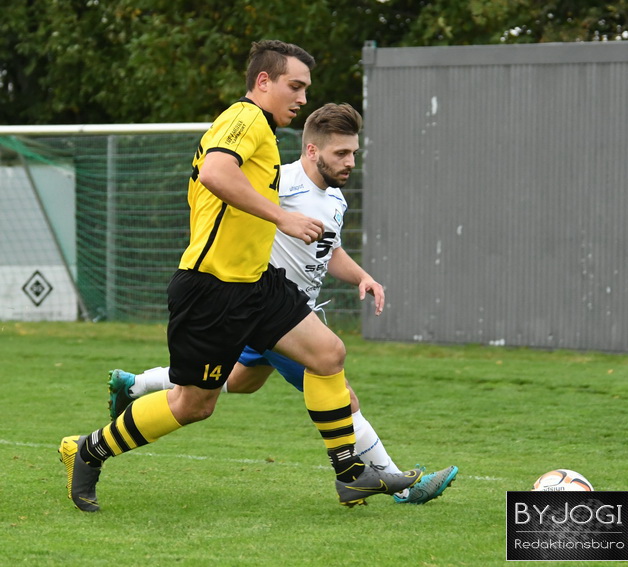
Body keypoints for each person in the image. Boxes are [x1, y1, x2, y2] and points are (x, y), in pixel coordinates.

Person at [59, 40, 424, 513]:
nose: (302, 98)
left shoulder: (264, 133)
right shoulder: (245, 117)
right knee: (194, 404)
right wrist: (283, 217)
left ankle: (352, 476)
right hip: (212, 287)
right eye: (295, 86)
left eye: (306, 89)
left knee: (328, 353)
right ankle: (88, 451)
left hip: (257, 283)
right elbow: (215, 172)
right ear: (263, 81)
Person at [107, 103, 458, 505]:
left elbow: (330, 250)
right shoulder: (282, 183)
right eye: (342, 153)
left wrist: (362, 276)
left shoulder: (335, 198)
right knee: (342, 394)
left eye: (354, 153)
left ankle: (135, 384)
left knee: (240, 381)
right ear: (311, 150)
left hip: (285, 315)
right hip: (271, 312)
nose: (351, 162)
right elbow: (230, 197)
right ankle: (403, 488)